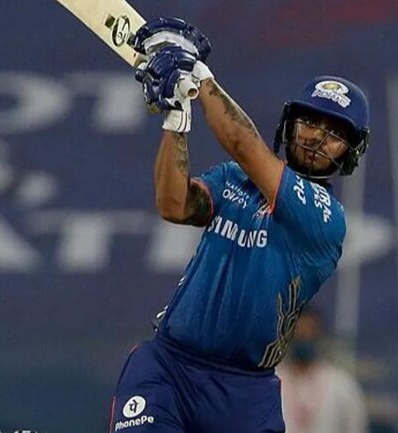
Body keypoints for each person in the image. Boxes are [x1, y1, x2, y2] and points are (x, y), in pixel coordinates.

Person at [107, 17, 371, 433]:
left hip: (244, 394)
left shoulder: (325, 218)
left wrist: (199, 77)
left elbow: (243, 145)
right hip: (168, 368)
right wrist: (176, 116)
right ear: (290, 124)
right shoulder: (234, 179)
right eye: (310, 122)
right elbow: (174, 205)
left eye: (334, 133)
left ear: (350, 151)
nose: (317, 138)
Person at [277, 309, 368, 433]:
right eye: (299, 334)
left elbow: (355, 427)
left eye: (310, 334)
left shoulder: (342, 385)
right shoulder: (272, 384)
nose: (304, 339)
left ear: (318, 336)